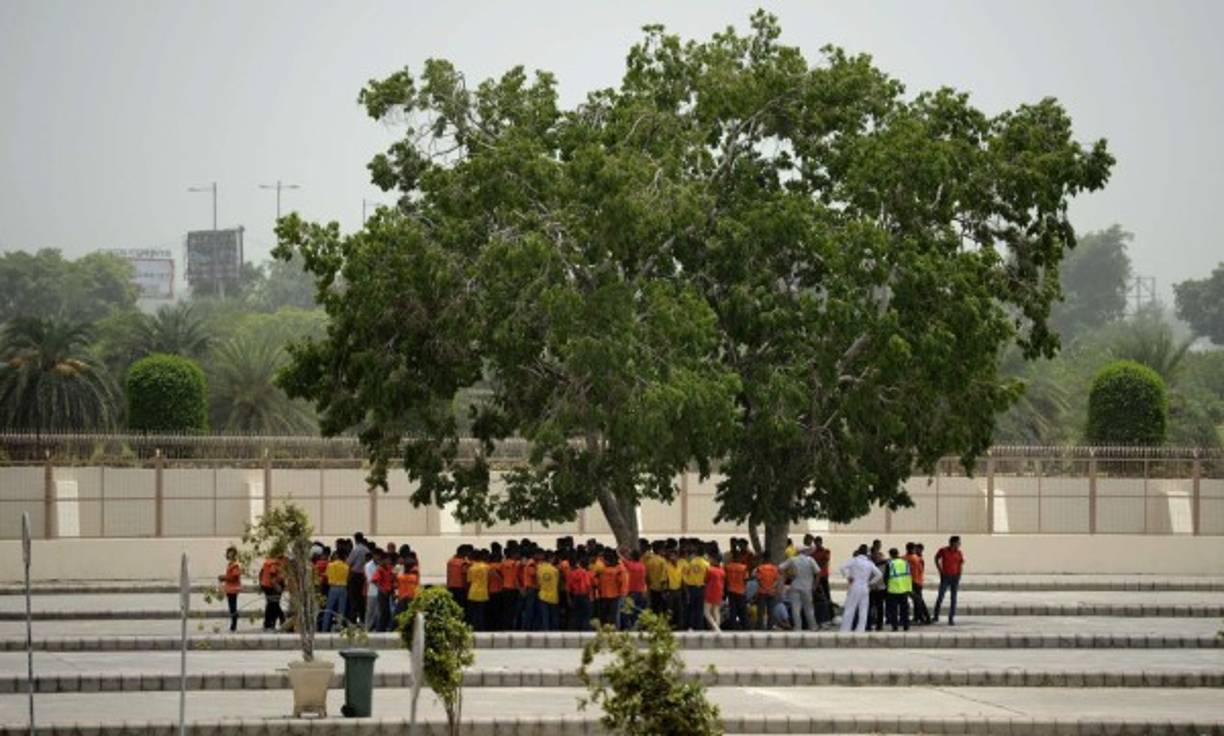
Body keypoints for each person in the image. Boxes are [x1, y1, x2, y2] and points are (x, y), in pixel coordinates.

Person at [839, 545, 882, 633]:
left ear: (859, 551)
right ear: (867, 553)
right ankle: (860, 629)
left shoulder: (854, 561)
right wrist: (870, 583)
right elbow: (879, 574)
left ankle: (845, 629)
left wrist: (848, 576)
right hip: (865, 587)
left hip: (855, 585)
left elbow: (842, 567)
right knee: (863, 609)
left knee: (850, 608)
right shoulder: (869, 563)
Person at [778, 546, 821, 631]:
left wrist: (788, 575)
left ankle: (797, 627)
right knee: (808, 608)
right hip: (807, 587)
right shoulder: (810, 560)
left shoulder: (792, 559)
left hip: (795, 586)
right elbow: (818, 573)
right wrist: (815, 585)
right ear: (805, 552)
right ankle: (813, 626)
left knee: (795, 608)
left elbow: (780, 568)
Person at [933, 535, 965, 626]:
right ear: (953, 543)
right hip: (945, 577)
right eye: (958, 542)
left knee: (953, 598)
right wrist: (940, 570)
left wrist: (959, 574)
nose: (959, 544)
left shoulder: (959, 553)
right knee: (940, 596)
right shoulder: (943, 550)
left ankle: (951, 618)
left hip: (955, 577)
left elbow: (960, 564)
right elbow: (936, 558)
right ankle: (936, 615)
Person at [884, 547, 912, 632]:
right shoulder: (905, 562)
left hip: (893, 590)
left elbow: (886, 577)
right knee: (904, 610)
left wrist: (886, 586)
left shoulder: (890, 564)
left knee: (894, 610)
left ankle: (895, 627)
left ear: (890, 555)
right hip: (904, 589)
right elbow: (909, 575)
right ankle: (906, 626)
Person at [345, 533, 370, 625]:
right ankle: (363, 619)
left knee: (353, 598)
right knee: (361, 599)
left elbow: (348, 562)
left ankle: (353, 619)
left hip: (354, 575)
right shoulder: (366, 550)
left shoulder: (356, 550)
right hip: (363, 576)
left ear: (355, 539)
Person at [682, 546, 709, 630]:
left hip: (691, 588)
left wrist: (687, 582)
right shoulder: (706, 564)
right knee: (700, 609)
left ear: (696, 553)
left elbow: (685, 574)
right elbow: (708, 577)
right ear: (703, 553)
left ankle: (691, 626)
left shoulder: (691, 563)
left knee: (692, 608)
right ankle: (699, 627)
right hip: (701, 588)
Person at [595, 550, 624, 628]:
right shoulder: (617, 571)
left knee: (603, 617)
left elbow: (596, 583)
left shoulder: (601, 571)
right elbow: (621, 582)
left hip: (603, 596)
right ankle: (613, 630)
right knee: (613, 617)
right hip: (614, 596)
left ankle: (603, 629)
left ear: (606, 561)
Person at [322, 550, 349, 632]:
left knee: (329, 609)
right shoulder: (346, 566)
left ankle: (324, 628)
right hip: (343, 588)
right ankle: (339, 628)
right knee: (341, 610)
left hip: (333, 588)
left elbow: (326, 575)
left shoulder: (330, 565)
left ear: (337, 555)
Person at [567, 554, 594, 631]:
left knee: (576, 614)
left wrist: (569, 599)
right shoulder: (583, 572)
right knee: (586, 615)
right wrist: (591, 597)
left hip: (575, 596)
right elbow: (588, 585)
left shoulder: (570, 573)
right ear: (577, 563)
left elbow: (568, 588)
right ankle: (585, 630)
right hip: (584, 595)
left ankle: (574, 630)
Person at [753, 554, 780, 630]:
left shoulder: (760, 568)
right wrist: (771, 587)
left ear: (763, 559)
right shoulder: (775, 568)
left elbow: (758, 580)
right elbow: (777, 580)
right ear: (770, 559)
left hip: (762, 592)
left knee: (761, 611)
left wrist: (765, 587)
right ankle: (770, 626)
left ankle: (760, 626)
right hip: (771, 592)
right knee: (771, 610)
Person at [906, 543, 931, 625]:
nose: (916, 550)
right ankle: (918, 617)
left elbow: (920, 570)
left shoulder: (918, 559)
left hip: (916, 582)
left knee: (919, 601)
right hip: (914, 581)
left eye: (918, 549)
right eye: (916, 549)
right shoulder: (915, 558)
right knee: (917, 601)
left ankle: (924, 618)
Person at [258, 555, 285, 632]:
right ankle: (279, 620)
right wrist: (277, 586)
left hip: (266, 586)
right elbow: (272, 577)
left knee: (271, 605)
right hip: (271, 587)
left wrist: (261, 583)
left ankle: (268, 624)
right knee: (274, 604)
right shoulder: (275, 564)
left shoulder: (268, 563)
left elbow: (261, 574)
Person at [371, 551, 396, 632]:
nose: (389, 561)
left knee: (388, 612)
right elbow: (374, 580)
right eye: (388, 559)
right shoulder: (380, 569)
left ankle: (384, 628)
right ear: (384, 560)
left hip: (389, 592)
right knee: (383, 611)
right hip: (382, 593)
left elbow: (392, 579)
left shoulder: (389, 568)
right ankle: (380, 629)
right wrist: (381, 589)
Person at [466, 550, 491, 632]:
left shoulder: (471, 568)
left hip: (472, 592)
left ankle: (473, 628)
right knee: (481, 613)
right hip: (483, 592)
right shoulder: (486, 567)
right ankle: (481, 628)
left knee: (473, 613)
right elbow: (491, 577)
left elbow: (469, 582)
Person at [219, 546, 242, 633]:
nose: (229, 554)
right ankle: (233, 625)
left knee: (233, 607)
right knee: (232, 607)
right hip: (230, 588)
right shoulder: (230, 565)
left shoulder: (235, 565)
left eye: (231, 553)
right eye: (228, 553)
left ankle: (234, 626)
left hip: (233, 588)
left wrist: (224, 578)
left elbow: (234, 577)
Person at [622, 551, 648, 629]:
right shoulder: (642, 566)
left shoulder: (630, 565)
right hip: (642, 590)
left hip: (632, 591)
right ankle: (639, 626)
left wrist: (618, 551)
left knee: (630, 610)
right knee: (639, 610)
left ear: (632, 557)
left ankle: (631, 626)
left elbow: (622, 559)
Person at [536, 552, 561, 631]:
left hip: (543, 595)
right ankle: (554, 632)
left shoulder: (539, 569)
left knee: (544, 616)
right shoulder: (555, 570)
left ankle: (545, 631)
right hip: (553, 596)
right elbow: (557, 583)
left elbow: (538, 582)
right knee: (554, 617)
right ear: (551, 559)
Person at [724, 552, 749, 630]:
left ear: (733, 558)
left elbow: (725, 579)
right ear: (739, 558)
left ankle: (733, 627)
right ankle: (745, 627)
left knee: (733, 611)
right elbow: (746, 580)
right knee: (742, 611)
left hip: (731, 591)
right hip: (740, 591)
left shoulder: (727, 567)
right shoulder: (744, 567)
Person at [703, 552, 726, 632]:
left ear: (715, 560)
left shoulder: (710, 569)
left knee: (706, 612)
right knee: (716, 611)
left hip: (710, 593)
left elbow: (705, 580)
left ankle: (716, 628)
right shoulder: (722, 570)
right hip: (719, 593)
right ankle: (716, 629)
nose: (710, 560)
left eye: (711, 558)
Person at [664, 547, 686, 629]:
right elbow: (665, 579)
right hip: (670, 591)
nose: (672, 557)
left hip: (678, 591)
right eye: (670, 556)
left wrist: (684, 591)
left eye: (673, 556)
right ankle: (668, 626)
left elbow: (682, 578)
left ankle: (680, 627)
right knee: (669, 610)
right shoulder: (667, 566)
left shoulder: (680, 566)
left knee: (679, 610)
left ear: (677, 556)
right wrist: (665, 591)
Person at [446, 545, 470, 613]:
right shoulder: (464, 563)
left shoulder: (450, 561)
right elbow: (466, 575)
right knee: (461, 606)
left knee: (453, 606)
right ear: (463, 552)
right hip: (461, 587)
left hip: (451, 586)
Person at [811, 537, 832, 604]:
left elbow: (825, 561)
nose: (817, 544)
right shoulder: (813, 552)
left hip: (823, 574)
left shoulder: (826, 551)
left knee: (826, 591)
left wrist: (815, 563)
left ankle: (828, 606)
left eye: (819, 542)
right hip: (815, 575)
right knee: (815, 591)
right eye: (816, 543)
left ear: (821, 542)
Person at [363, 550, 380, 631]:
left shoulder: (380, 565)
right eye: (377, 555)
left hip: (380, 592)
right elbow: (370, 579)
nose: (378, 557)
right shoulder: (368, 565)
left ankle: (375, 628)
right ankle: (367, 628)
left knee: (378, 612)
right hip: (372, 591)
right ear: (373, 556)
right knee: (370, 611)